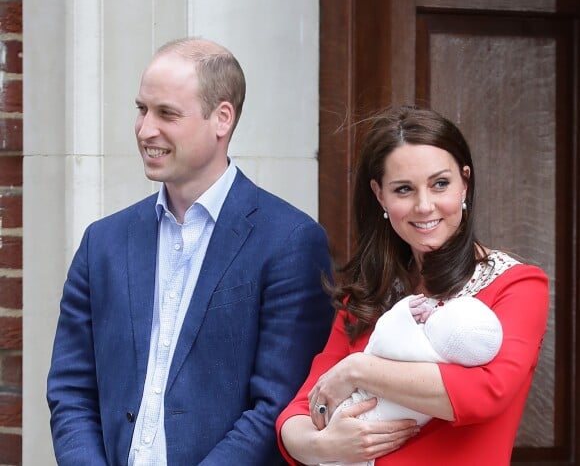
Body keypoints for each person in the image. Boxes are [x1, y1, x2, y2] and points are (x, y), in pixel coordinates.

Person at [47, 37, 334, 465]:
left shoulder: (290, 241)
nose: (145, 129)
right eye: (142, 109)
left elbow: (278, 403)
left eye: (167, 114)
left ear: (221, 118)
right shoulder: (102, 242)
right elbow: (70, 391)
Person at [277, 105, 549, 466]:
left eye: (440, 184)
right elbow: (298, 410)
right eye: (404, 189)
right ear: (380, 196)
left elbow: (488, 392)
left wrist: (359, 370)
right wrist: (320, 447)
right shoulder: (368, 294)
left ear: (464, 182)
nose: (424, 206)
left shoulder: (516, 284)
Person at [323, 294, 503, 466]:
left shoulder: (418, 349)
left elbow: (382, 338)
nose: (437, 308)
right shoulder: (450, 364)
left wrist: (404, 310)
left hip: (358, 414)